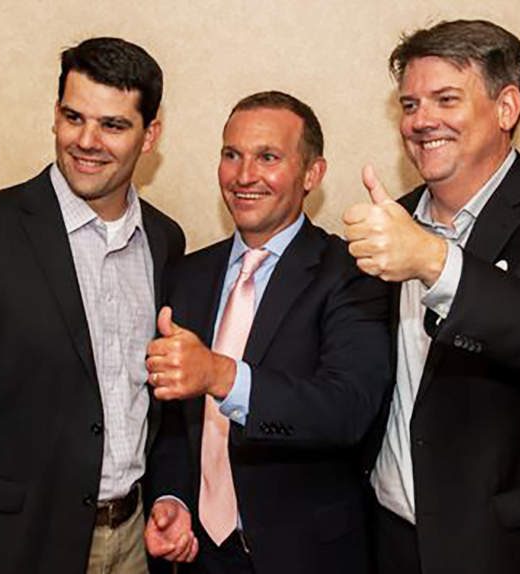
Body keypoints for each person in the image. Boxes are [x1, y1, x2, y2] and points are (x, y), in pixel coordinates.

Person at [343, 19, 520, 574]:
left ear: (506, 107)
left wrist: (433, 261)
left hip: (518, 553)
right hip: (392, 544)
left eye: (445, 99)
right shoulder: (384, 227)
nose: (421, 120)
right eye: (409, 104)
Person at [0, 38, 185, 574]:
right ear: (55, 115)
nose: (87, 141)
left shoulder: (165, 241)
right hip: (10, 547)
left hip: (135, 543)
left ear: (151, 136)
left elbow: (162, 406)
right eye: (74, 117)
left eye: (113, 125)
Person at [141, 91, 392, 574]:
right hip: (201, 558)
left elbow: (347, 408)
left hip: (307, 557)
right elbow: (173, 420)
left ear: (312, 174)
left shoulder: (351, 273)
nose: (243, 175)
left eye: (268, 157)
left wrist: (221, 375)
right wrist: (171, 496)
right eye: (231, 155)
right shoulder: (187, 274)